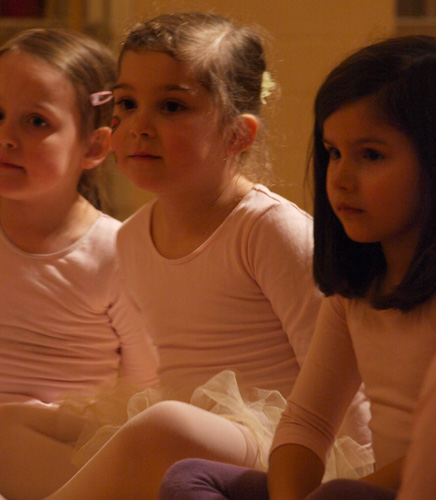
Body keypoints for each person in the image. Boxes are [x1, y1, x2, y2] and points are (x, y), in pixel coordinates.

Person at [0, 13, 371, 500]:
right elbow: (158, 374)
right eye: (126, 103)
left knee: (165, 426)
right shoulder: (132, 238)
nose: (138, 126)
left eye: (171, 106)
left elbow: (341, 379)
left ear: (237, 135)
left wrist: (355, 481)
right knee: (4, 428)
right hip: (179, 437)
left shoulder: (268, 230)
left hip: (278, 453)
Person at [158, 34, 436, 500]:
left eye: (371, 155)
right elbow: (307, 422)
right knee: (190, 477)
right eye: (333, 153)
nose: (341, 178)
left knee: (339, 495)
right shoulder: (354, 294)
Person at [0, 28, 158, 497]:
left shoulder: (117, 250)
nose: (5, 137)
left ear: (94, 147)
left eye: (36, 122)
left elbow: (145, 383)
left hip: (51, 441)